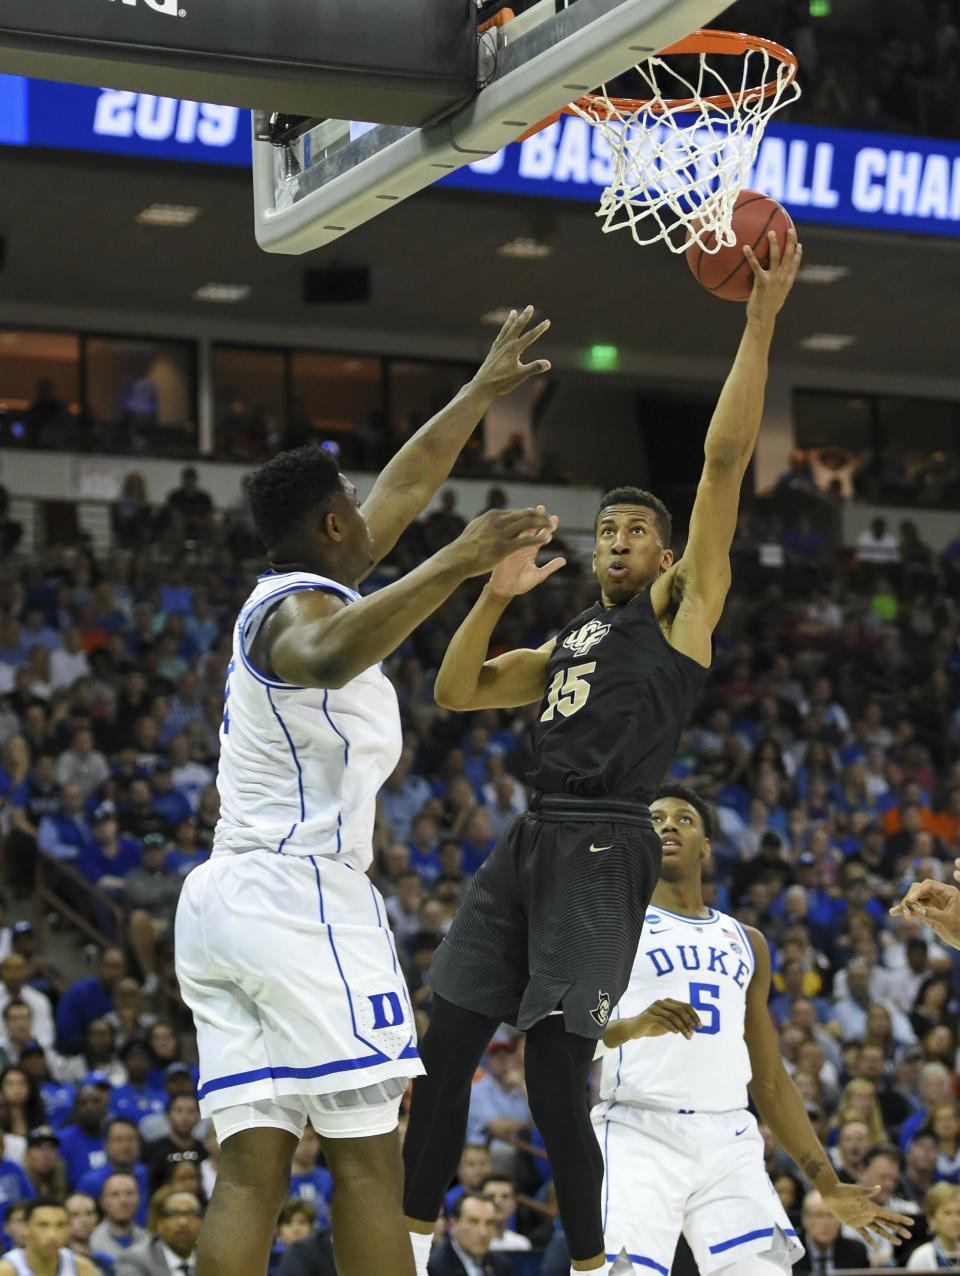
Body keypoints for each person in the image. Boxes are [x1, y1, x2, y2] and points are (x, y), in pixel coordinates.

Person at [403, 232, 804, 1276]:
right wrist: (486, 595)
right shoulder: (572, 635)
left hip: (602, 840)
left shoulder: (680, 612)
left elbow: (721, 462)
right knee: (443, 1044)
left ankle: (591, 1264)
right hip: (533, 833)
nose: (615, 541)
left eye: (633, 531)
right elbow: (455, 691)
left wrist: (759, 321)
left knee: (549, 1082)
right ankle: (400, 1246)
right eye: (605, 531)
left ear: (667, 556)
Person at [172, 310, 555, 1276]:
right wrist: (462, 561)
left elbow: (407, 483)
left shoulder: (314, 577)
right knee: (371, 1167)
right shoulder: (300, 611)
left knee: (253, 1171)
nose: (374, 513)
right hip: (300, 901)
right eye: (355, 504)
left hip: (229, 900)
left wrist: (480, 390)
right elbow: (330, 653)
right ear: (331, 526)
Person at [591, 784, 914, 1276]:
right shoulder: (611, 924)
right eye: (655, 819)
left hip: (727, 1133)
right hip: (638, 1128)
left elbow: (769, 1081)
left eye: (684, 819)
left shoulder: (748, 941)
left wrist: (826, 1185)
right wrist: (633, 1026)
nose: (669, 825)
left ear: (706, 846)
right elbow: (564, 1038)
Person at [113, 1186, 202, 1276]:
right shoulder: (134, 1260)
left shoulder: (211, 1258)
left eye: (191, 1214)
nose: (183, 1222)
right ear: (159, 1222)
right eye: (174, 1214)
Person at [0, 1197, 100, 1276]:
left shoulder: (81, 1268)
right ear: (26, 1227)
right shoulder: (6, 1270)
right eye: (43, 1225)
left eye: (60, 1225)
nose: (52, 1235)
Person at [427, 1193, 512, 1276]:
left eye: (489, 1223)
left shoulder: (500, 1265)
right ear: (452, 1225)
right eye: (473, 1222)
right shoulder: (434, 1268)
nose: (483, 1232)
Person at [794, 1190, 869, 1274]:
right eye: (819, 1215)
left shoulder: (856, 1252)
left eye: (831, 1215)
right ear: (805, 1219)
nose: (825, 1223)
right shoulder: (790, 1253)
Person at [89, 1175, 146, 1260]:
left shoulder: (149, 1241)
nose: (123, 1201)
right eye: (115, 1195)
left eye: (129, 1194)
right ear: (102, 1201)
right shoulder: (91, 1242)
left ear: (139, 1199)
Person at [905, 1182, 960, 1270]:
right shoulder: (922, 1256)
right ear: (932, 1219)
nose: (955, 1220)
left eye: (958, 1213)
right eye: (947, 1213)